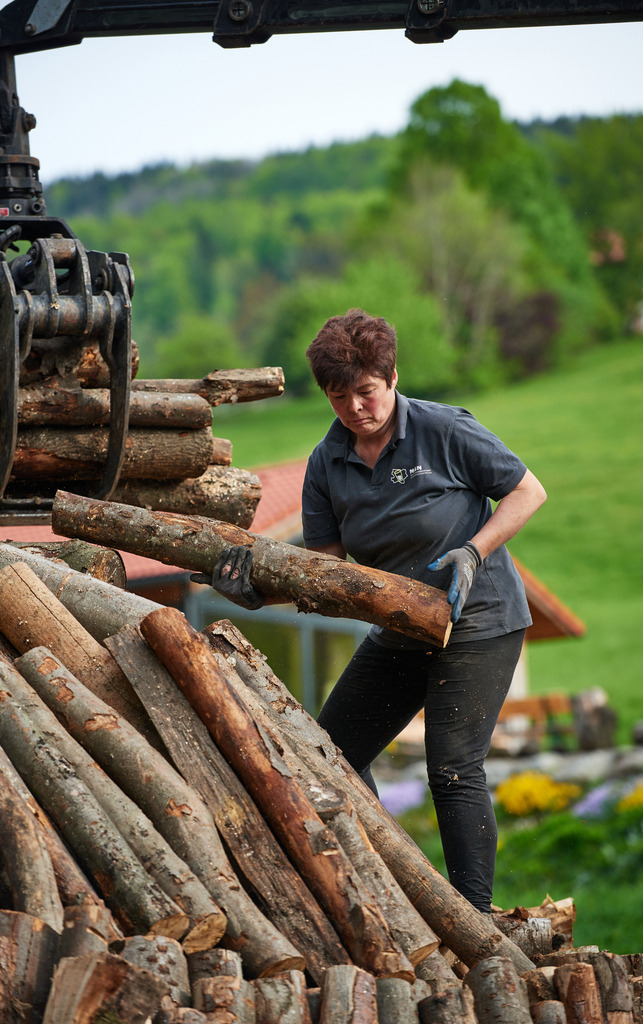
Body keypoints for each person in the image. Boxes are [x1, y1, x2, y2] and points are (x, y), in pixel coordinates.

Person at [191, 308, 546, 915]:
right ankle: (397, 890)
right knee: (331, 753)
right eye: (339, 396)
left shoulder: (444, 430)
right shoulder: (326, 463)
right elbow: (326, 576)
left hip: (478, 622)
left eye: (366, 391)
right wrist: (254, 592)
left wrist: (474, 550)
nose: (355, 408)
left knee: (452, 768)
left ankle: (475, 917)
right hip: (399, 628)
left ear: (392, 377)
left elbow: (527, 491)